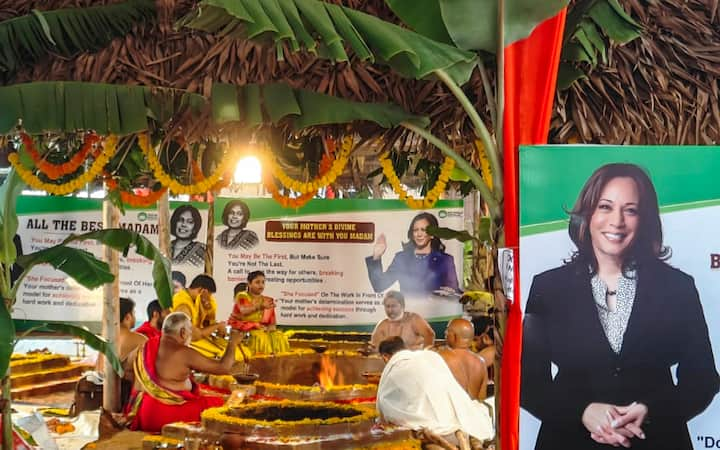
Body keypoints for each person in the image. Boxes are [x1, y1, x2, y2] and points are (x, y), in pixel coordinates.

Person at [521, 163, 720, 450]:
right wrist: (583, 411)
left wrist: (650, 411)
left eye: (631, 210)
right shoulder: (548, 288)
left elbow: (702, 380)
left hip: (657, 441)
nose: (617, 221)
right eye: (605, 207)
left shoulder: (678, 287)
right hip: (567, 440)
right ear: (587, 215)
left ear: (645, 220)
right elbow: (527, 382)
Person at [127, 312, 243, 432]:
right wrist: (233, 343)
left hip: (142, 413)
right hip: (164, 415)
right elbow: (224, 367)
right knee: (220, 404)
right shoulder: (183, 352)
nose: (190, 336)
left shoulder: (145, 347)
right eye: (190, 332)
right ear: (183, 332)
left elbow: (127, 369)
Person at [376, 336, 493, 445]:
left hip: (433, 425)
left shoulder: (395, 369)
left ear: (385, 357)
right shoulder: (431, 356)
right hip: (461, 414)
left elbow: (385, 403)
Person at [366, 212, 459, 298]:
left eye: (423, 230)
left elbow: (455, 292)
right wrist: (377, 256)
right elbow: (379, 285)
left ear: (432, 235)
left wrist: (452, 293)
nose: (419, 234)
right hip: (408, 313)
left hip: (435, 313)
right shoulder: (401, 258)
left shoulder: (445, 260)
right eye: (415, 230)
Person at [227, 271, 289, 354]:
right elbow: (244, 311)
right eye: (257, 282)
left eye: (263, 282)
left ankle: (274, 360)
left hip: (261, 331)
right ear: (249, 283)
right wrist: (260, 306)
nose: (261, 285)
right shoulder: (242, 296)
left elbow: (272, 324)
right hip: (243, 331)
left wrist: (270, 332)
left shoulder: (267, 300)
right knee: (260, 338)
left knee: (280, 337)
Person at [438, 318, 488, 400]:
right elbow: (481, 398)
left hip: (450, 411)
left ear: (454, 336)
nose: (445, 334)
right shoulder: (481, 362)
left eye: (447, 332)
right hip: (473, 411)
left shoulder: (442, 357)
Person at [370, 290, 435, 350]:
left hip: (414, 360)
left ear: (402, 305)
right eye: (387, 306)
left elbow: (429, 335)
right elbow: (375, 348)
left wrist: (425, 354)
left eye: (393, 306)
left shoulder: (414, 319)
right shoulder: (381, 325)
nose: (390, 310)